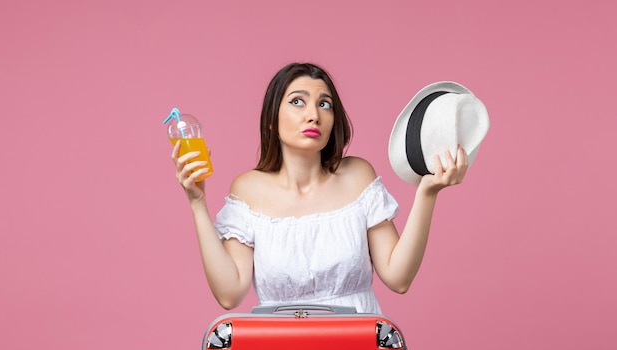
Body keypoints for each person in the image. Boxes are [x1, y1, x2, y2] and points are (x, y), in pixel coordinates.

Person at [171, 62, 468, 314]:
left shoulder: (358, 176)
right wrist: (197, 203)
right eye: (297, 101)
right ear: (272, 119)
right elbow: (229, 293)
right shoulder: (248, 190)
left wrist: (427, 192)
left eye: (324, 104)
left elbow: (399, 278)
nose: (313, 114)